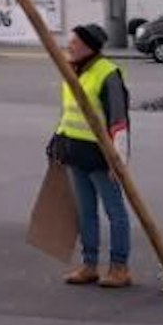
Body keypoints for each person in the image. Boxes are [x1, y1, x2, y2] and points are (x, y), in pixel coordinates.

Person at [47, 24, 132, 289]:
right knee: (85, 212)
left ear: (88, 46)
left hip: (101, 155)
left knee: (114, 211)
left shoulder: (107, 74)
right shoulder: (73, 71)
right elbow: (70, 113)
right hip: (76, 151)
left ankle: (120, 267)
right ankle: (89, 265)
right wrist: (57, 142)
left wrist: (118, 159)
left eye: (73, 42)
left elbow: (119, 120)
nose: (68, 46)